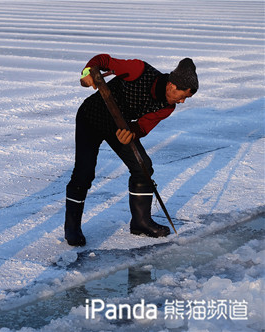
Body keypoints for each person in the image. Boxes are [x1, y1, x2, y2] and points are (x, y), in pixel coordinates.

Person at [65, 54, 198, 246]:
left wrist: (132, 133)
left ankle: (141, 222)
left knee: (143, 166)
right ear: (172, 85)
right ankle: (72, 228)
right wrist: (88, 72)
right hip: (91, 117)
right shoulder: (139, 70)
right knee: (84, 172)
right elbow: (103, 60)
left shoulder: (167, 107)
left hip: (118, 126)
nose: (183, 102)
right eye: (183, 96)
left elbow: (143, 126)